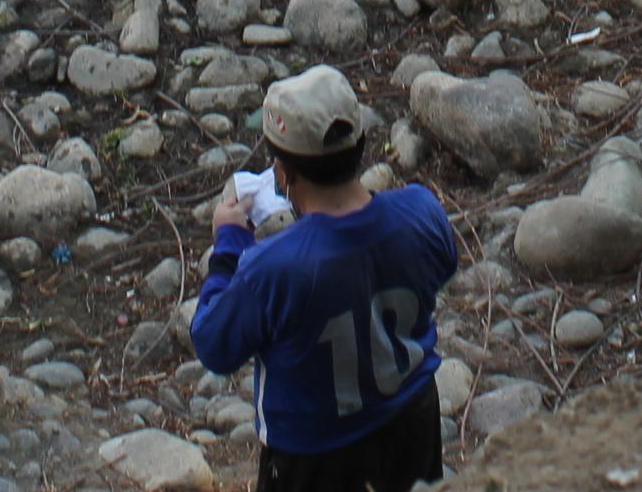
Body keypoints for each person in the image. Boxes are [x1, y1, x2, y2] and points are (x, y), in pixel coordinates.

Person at [192, 65, 460, 492]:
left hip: (314, 455)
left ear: (282, 174)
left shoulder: (272, 268)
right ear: (362, 145)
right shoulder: (421, 211)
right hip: (413, 419)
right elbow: (443, 265)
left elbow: (213, 345)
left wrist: (228, 245)